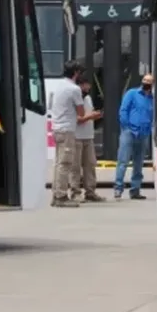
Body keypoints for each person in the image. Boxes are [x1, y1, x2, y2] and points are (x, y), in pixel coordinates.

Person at [50, 60, 99, 207]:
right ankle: (61, 196)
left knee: (59, 163)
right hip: (67, 130)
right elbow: (81, 112)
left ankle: (56, 194)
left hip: (57, 129)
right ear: (76, 73)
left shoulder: (59, 85)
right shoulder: (74, 89)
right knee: (66, 164)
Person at [114, 73, 154, 200]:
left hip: (143, 134)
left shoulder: (152, 98)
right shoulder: (132, 93)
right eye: (145, 80)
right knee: (123, 161)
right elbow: (123, 110)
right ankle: (118, 188)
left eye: (149, 81)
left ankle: (135, 190)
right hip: (129, 132)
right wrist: (126, 127)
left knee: (138, 163)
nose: (146, 83)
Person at [70, 75, 102, 203]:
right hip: (76, 136)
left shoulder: (88, 98)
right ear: (80, 85)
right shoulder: (74, 98)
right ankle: (75, 192)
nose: (88, 87)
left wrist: (95, 115)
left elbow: (88, 113)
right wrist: (90, 116)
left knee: (90, 165)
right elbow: (77, 119)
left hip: (88, 136)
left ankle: (90, 191)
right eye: (86, 84)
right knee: (75, 166)